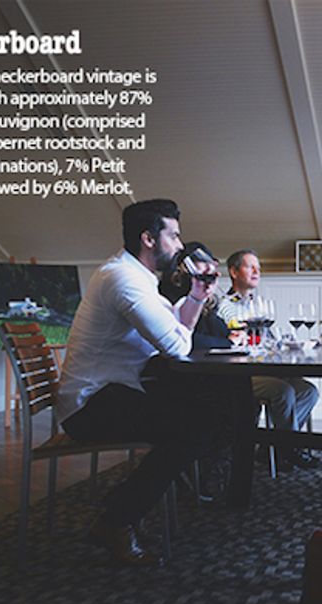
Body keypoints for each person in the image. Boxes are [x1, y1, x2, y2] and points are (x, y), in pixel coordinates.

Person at [56, 199, 219, 566]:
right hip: (89, 405)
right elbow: (176, 346)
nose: (180, 245)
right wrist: (185, 319)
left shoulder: (136, 276)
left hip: (113, 393)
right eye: (173, 236)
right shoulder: (122, 280)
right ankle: (115, 521)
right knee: (194, 428)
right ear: (149, 238)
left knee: (202, 414)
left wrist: (196, 295)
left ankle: (123, 508)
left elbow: (174, 324)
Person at [217, 249, 320, 469]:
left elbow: (268, 341)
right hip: (240, 374)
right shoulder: (225, 306)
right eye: (250, 267)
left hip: (265, 369)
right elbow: (236, 341)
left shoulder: (258, 304)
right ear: (234, 272)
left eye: (259, 268)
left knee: (308, 391)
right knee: (283, 391)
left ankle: (272, 447)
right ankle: (289, 448)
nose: (257, 272)